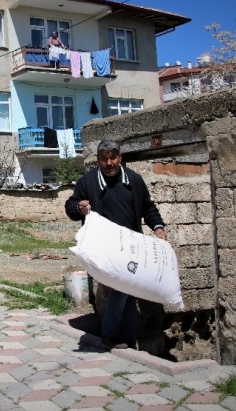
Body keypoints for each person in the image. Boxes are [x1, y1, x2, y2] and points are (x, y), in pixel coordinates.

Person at [64, 139, 166, 350]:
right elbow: (70, 206)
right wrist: (79, 208)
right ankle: (110, 333)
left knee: (127, 291)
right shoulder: (88, 182)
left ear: (120, 158)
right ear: (98, 161)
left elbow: (148, 207)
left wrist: (158, 227)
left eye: (113, 158)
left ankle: (127, 339)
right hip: (105, 248)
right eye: (104, 159)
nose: (109, 163)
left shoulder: (134, 181)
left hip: (132, 246)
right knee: (122, 286)